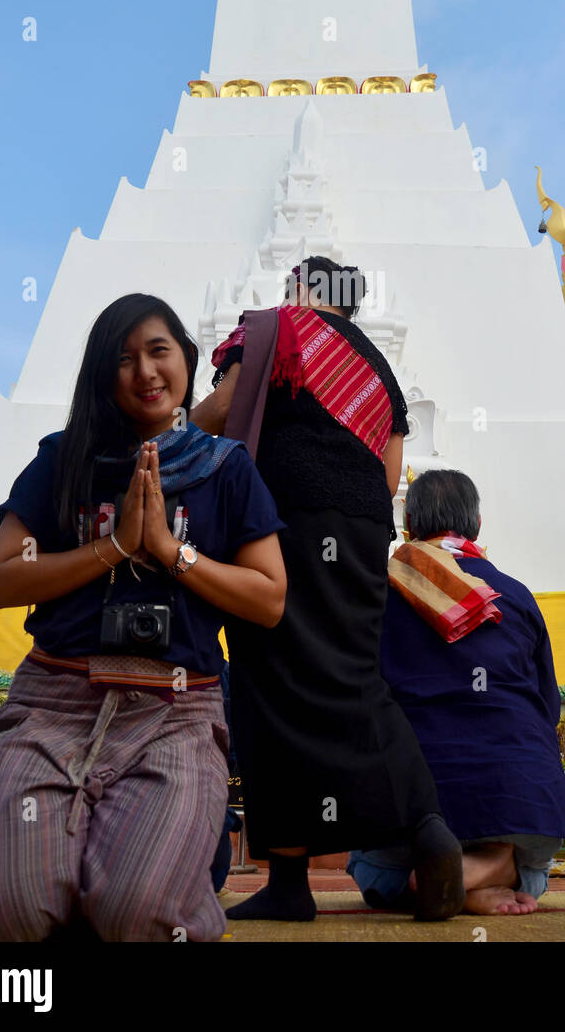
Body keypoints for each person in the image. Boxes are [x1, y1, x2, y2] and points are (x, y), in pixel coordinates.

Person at [0, 294, 286, 943]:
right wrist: (114, 548)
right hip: (55, 703)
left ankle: (161, 871)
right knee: (8, 912)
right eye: (123, 360)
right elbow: (1, 580)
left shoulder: (225, 469)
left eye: (158, 351)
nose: (145, 371)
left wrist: (168, 550)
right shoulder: (63, 459)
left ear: (186, 359)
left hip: (175, 714)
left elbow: (268, 598)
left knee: (136, 915)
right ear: (101, 378)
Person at [191, 257, 463, 922]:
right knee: (353, 674)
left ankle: (288, 878)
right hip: (363, 527)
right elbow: (391, 468)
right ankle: (425, 826)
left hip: (279, 519)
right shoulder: (378, 367)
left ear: (301, 291)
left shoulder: (275, 330)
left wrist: (173, 435)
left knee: (268, 678)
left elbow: (224, 408)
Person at [348, 468, 565, 916]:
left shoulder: (377, 594)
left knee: (372, 873)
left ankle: (441, 877)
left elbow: (356, 703)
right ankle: (497, 865)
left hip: (407, 818)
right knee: (536, 875)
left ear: (409, 526)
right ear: (477, 524)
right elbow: (548, 710)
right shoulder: (516, 597)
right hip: (522, 808)